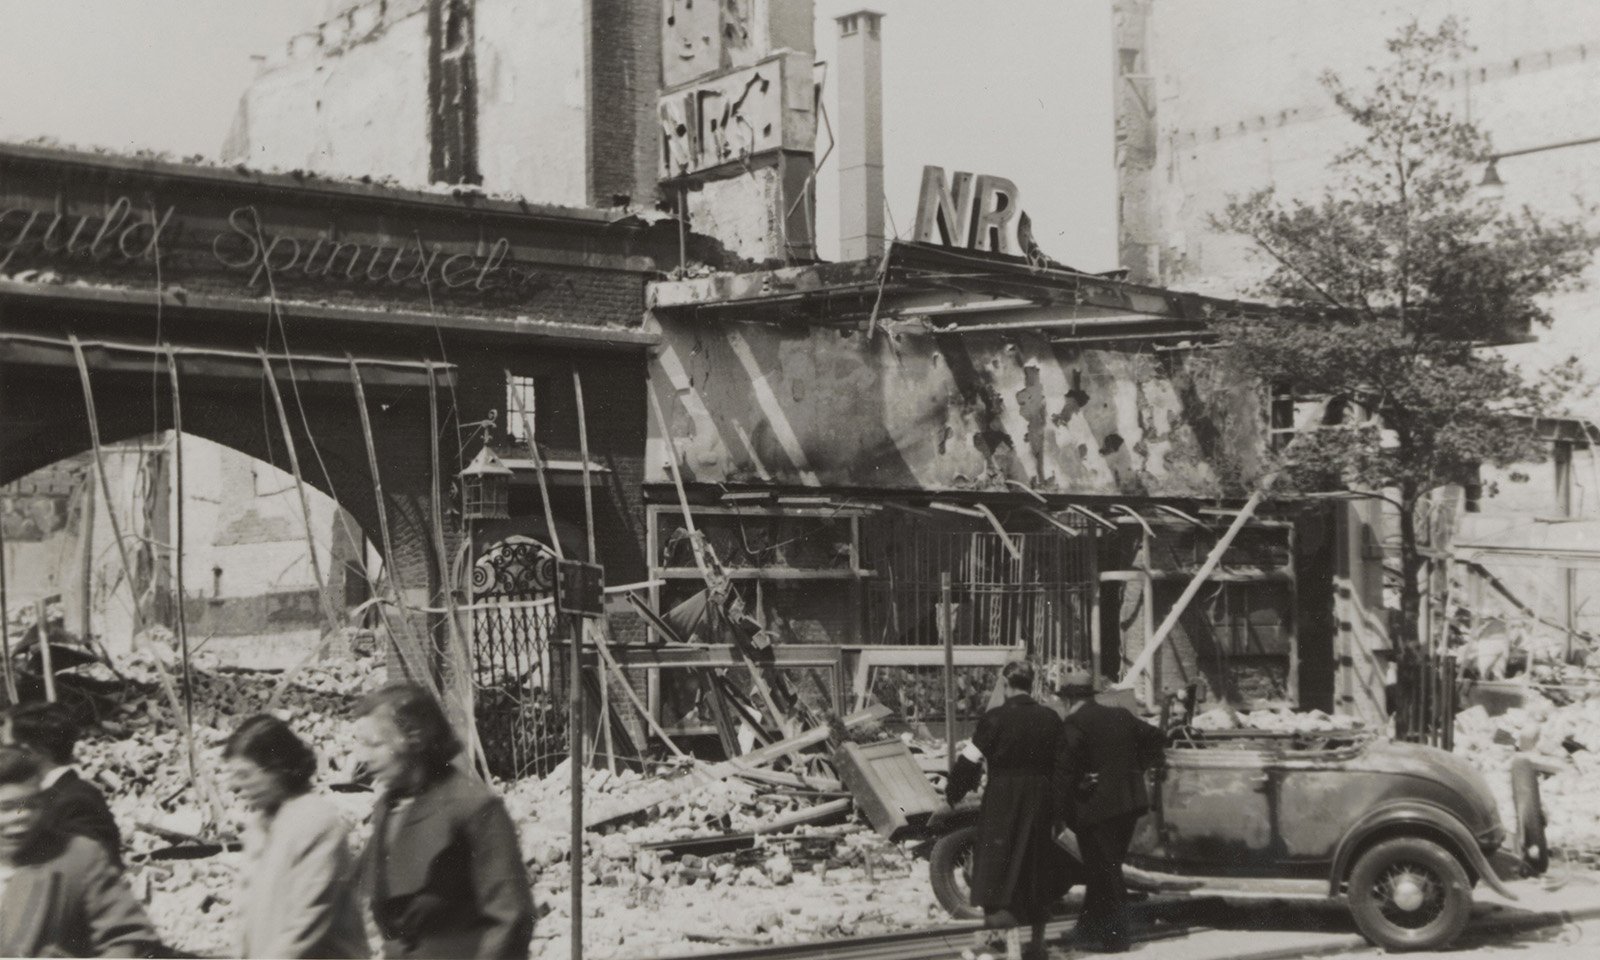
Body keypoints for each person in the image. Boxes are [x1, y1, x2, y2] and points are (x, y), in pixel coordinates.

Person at [354, 683, 535, 959]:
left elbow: (510, 918)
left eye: (375, 744)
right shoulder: (388, 808)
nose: (364, 758)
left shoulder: (474, 806)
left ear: (413, 738)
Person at [946, 660, 1076, 960]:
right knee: (1035, 867)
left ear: (1006, 684)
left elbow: (969, 761)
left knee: (997, 866)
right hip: (1040, 799)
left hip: (1003, 799)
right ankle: (1037, 945)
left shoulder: (994, 719)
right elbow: (1064, 768)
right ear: (1031, 684)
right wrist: (1059, 810)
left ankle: (1000, 944)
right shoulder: (1050, 719)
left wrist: (953, 794)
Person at [222, 713, 369, 959]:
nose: (234, 786)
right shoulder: (260, 826)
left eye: (245, 775)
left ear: (276, 769)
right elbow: (247, 914)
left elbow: (307, 920)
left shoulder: (316, 822)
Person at [0, 746, 162, 957]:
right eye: (5, 807)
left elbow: (129, 938)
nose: (20, 816)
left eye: (31, 804)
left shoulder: (78, 856)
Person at [1053, 668, 1166, 953]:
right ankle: (1088, 929)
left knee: (1105, 872)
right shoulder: (1120, 715)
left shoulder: (1073, 725)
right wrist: (1136, 769)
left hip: (1097, 809)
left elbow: (1064, 773)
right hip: (1128, 805)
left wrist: (1057, 812)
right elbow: (1156, 736)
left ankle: (1117, 938)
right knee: (1104, 867)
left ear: (1066, 700)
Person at [4, 701, 123, 867]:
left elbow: (95, 869)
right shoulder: (32, 797)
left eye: (9, 747)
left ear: (31, 750)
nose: (3, 755)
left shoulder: (79, 801)